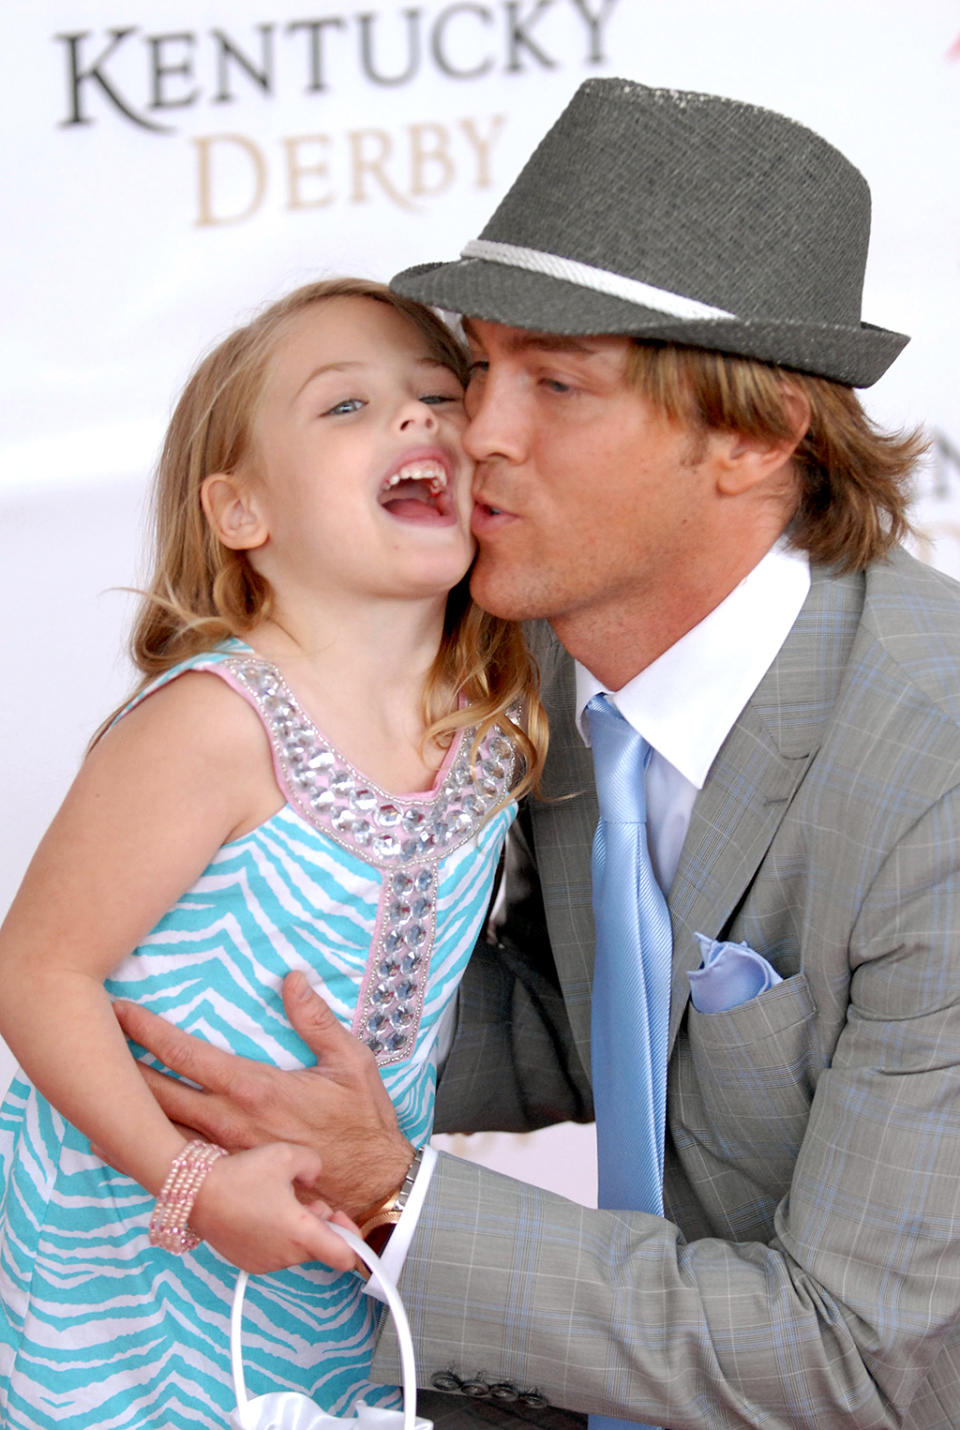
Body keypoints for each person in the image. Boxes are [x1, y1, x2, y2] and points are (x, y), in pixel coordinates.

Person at [111, 80, 960, 1429]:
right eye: (481, 363)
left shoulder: (936, 783)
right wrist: (191, 1026)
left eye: (556, 384)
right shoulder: (541, 648)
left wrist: (393, 1186)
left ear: (754, 434)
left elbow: (863, 1360)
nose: (476, 432)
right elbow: (582, 1012)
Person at [0, 277, 547, 1429]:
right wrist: (189, 1184)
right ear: (241, 510)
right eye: (344, 407)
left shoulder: (493, 721)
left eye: (441, 395)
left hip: (332, 1232)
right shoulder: (216, 722)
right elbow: (36, 970)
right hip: (132, 1239)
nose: (418, 422)